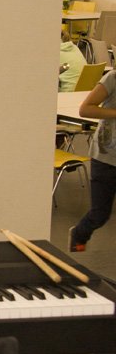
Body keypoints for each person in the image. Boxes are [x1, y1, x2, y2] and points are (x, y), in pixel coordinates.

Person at [69, 67, 116, 252]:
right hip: (106, 157)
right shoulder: (112, 78)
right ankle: (79, 234)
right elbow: (85, 109)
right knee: (100, 214)